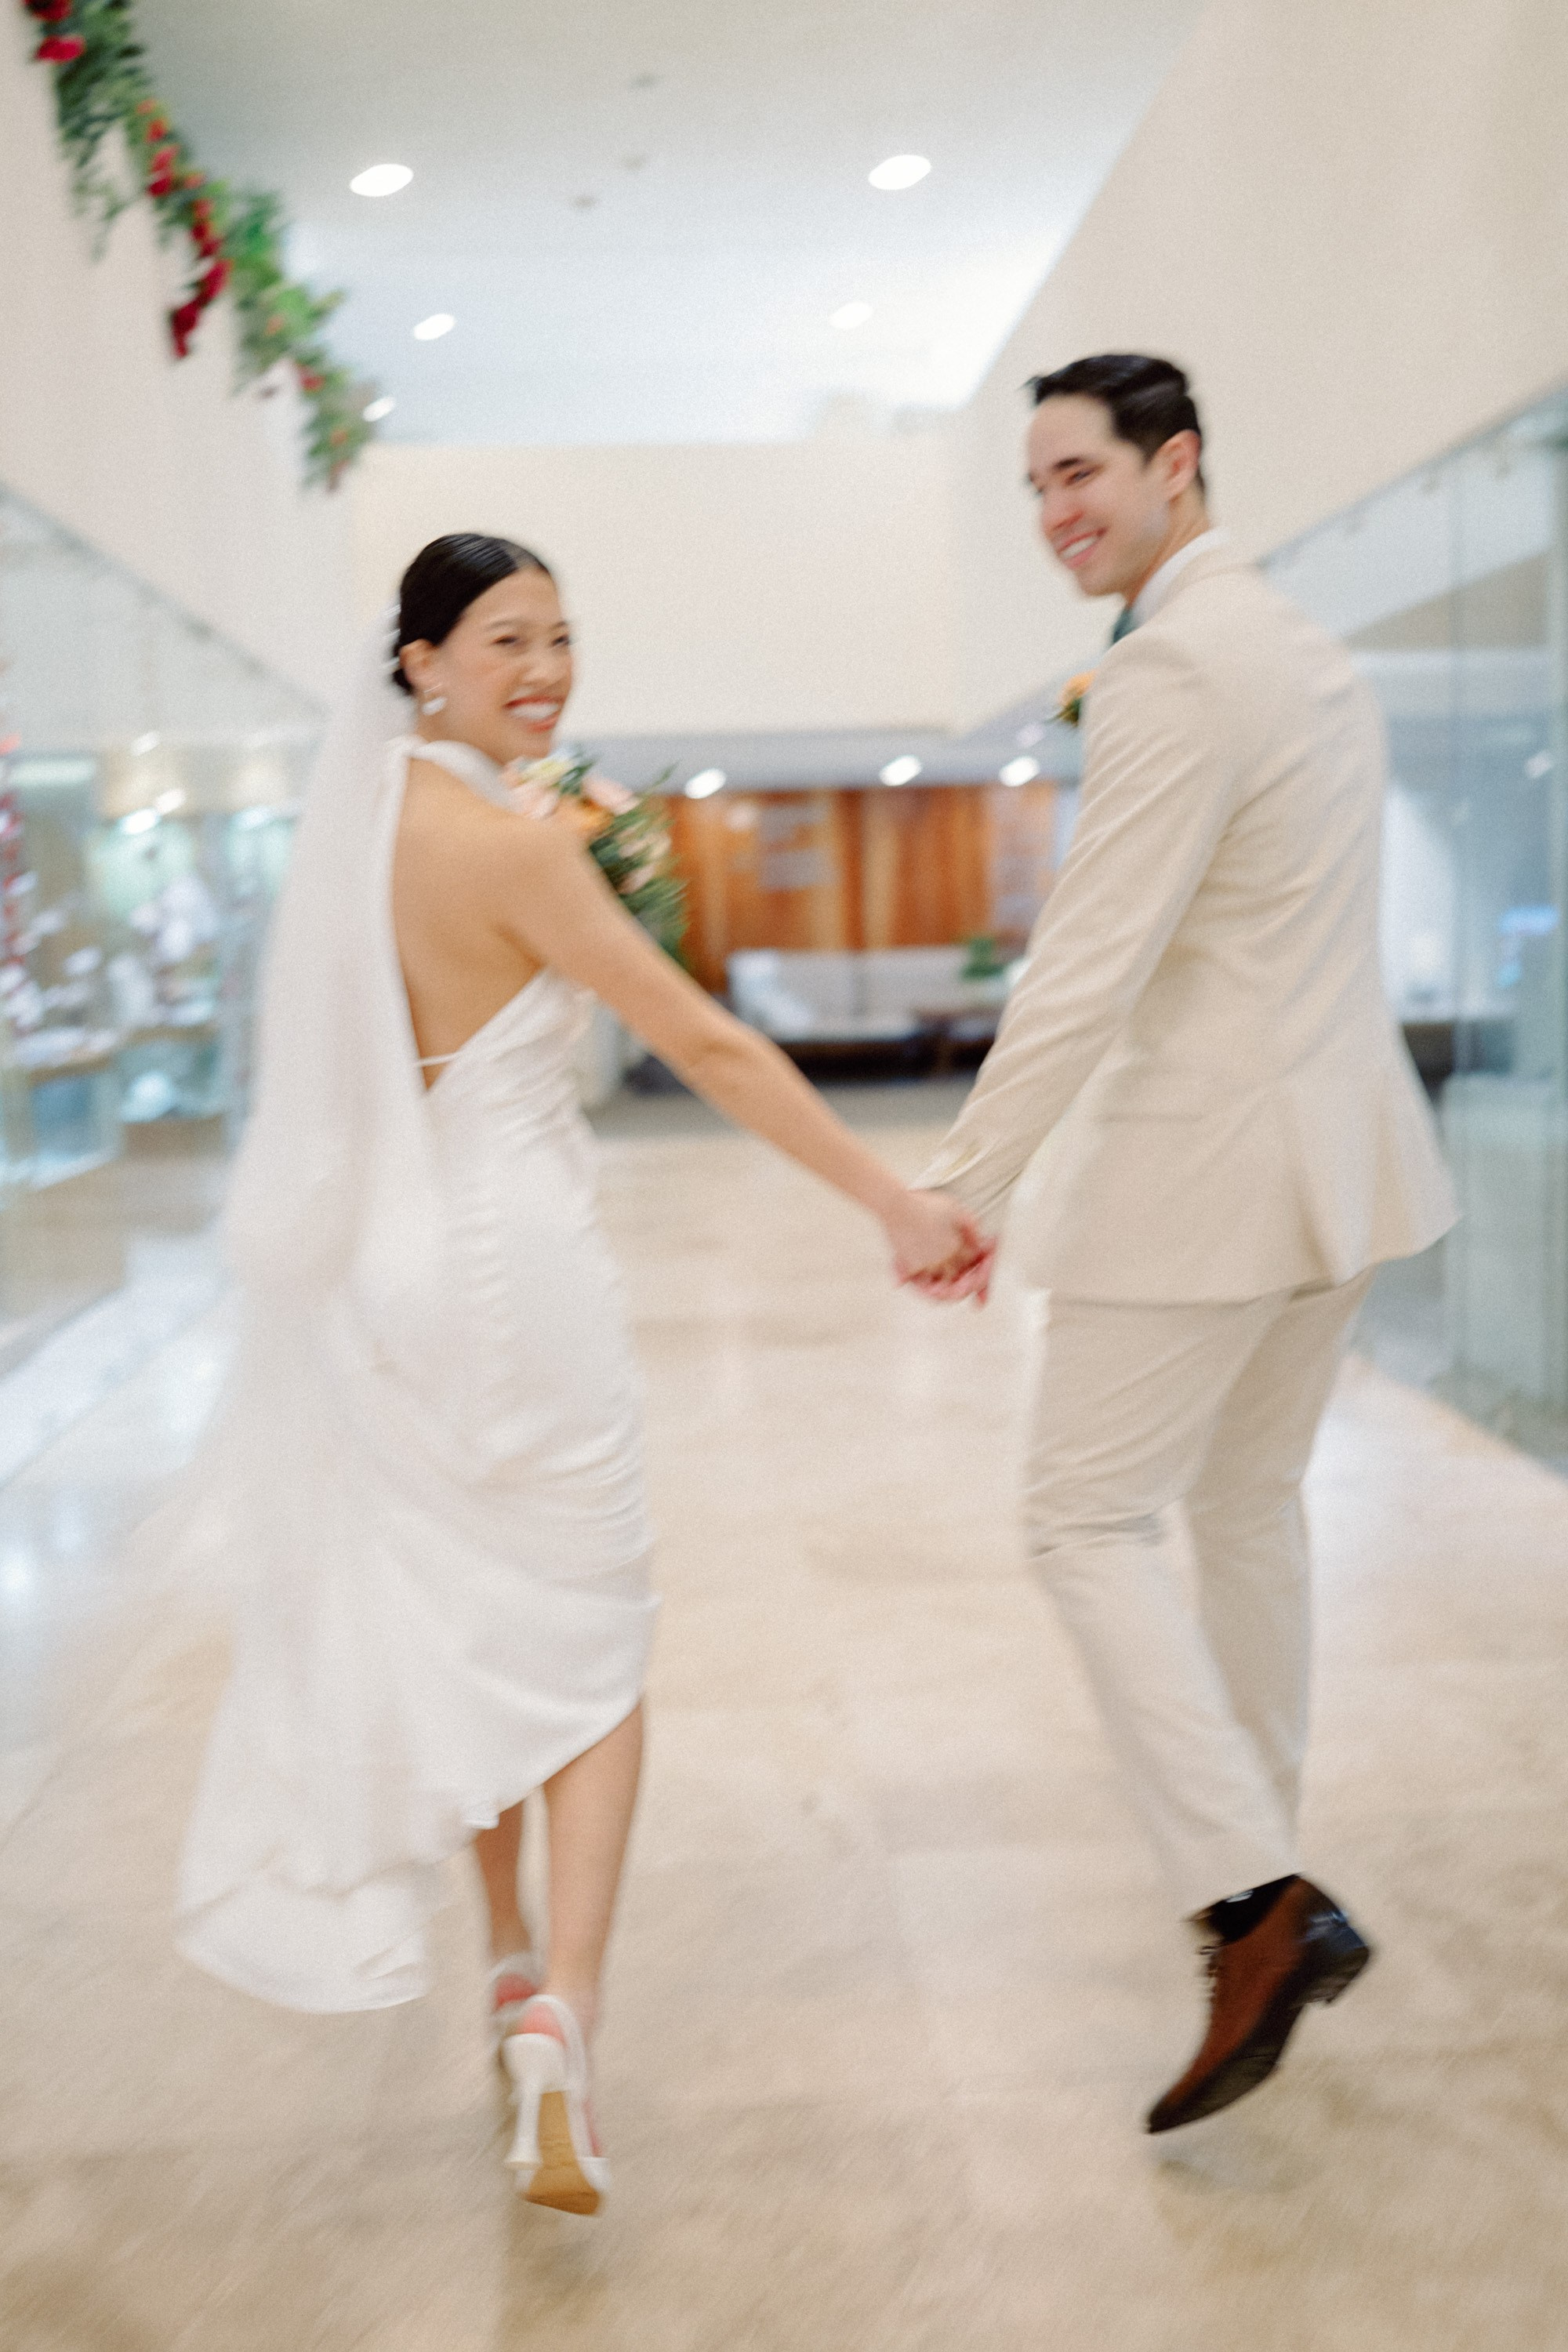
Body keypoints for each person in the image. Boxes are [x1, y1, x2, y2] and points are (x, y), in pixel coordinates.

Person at [175, 533, 987, 2213]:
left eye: (558, 640)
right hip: (512, 1273)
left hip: (383, 1287)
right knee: (595, 1638)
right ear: (417, 663)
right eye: (500, 642)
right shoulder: (520, 845)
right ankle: (570, 2013)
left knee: (470, 1622)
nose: (540, 670)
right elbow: (705, 1041)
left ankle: (495, 1961)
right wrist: (893, 1200)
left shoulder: (354, 839)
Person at [913, 356, 1455, 2132]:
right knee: (1237, 1510)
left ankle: (1253, 1901)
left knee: (1076, 1514)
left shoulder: (1168, 666)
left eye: (1080, 472)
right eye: (1037, 484)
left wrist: (971, 1179)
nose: (1058, 508)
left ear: (1178, 465)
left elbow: (1091, 955)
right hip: (1343, 1169)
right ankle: (1264, 1885)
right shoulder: (1303, 648)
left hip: (1208, 1177)